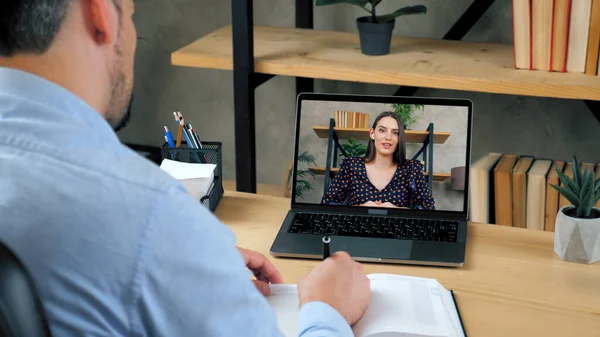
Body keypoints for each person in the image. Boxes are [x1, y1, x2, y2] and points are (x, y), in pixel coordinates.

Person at [0, 1, 371, 336]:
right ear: (100, 12)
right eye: (131, 13)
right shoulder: (145, 211)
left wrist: (186, 253)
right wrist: (327, 311)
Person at [321, 111, 435, 210]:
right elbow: (328, 204)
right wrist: (359, 209)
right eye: (382, 130)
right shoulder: (351, 166)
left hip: (395, 231)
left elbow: (428, 208)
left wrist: (398, 210)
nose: (388, 137)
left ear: (399, 138)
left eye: (395, 133)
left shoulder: (412, 168)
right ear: (372, 133)